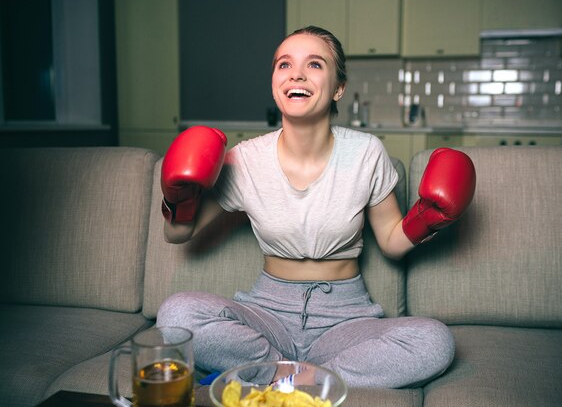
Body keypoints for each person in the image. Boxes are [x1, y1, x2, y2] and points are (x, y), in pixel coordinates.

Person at [156, 26, 476, 388]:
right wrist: (176, 199)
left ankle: (278, 377)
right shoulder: (245, 159)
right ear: (275, 81)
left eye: (314, 64)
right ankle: (306, 379)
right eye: (284, 65)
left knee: (434, 341)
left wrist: (429, 220)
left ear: (338, 87)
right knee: (176, 313)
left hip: (345, 318)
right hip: (267, 312)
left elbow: (390, 241)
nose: (296, 73)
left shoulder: (366, 152)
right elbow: (178, 233)